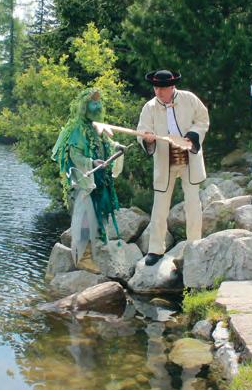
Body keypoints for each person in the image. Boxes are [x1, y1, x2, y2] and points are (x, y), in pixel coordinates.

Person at [137, 70, 210, 266]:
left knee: (193, 203)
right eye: (155, 88)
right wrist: (147, 137)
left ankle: (194, 244)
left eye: (162, 88)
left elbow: (203, 120)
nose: (158, 92)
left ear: (171, 87)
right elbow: (142, 130)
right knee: (159, 206)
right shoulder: (149, 107)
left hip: (189, 158)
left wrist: (193, 135)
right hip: (164, 160)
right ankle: (155, 249)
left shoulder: (189, 99)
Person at [52, 89, 124, 264]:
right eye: (93, 103)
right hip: (85, 180)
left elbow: (107, 144)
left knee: (99, 215)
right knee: (85, 216)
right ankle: (82, 257)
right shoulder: (76, 129)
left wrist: (117, 148)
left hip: (101, 180)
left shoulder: (98, 127)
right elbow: (74, 155)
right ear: (84, 106)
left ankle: (95, 253)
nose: (97, 106)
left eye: (99, 103)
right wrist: (91, 162)